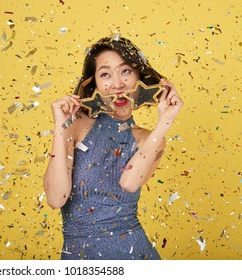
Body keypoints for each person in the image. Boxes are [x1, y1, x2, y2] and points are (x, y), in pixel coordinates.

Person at [43, 34, 183, 260]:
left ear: (139, 77)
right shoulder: (74, 126)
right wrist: (60, 127)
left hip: (134, 255)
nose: (118, 84)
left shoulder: (149, 139)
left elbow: (129, 183)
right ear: (95, 83)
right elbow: (56, 198)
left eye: (125, 71)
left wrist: (164, 122)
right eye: (105, 74)